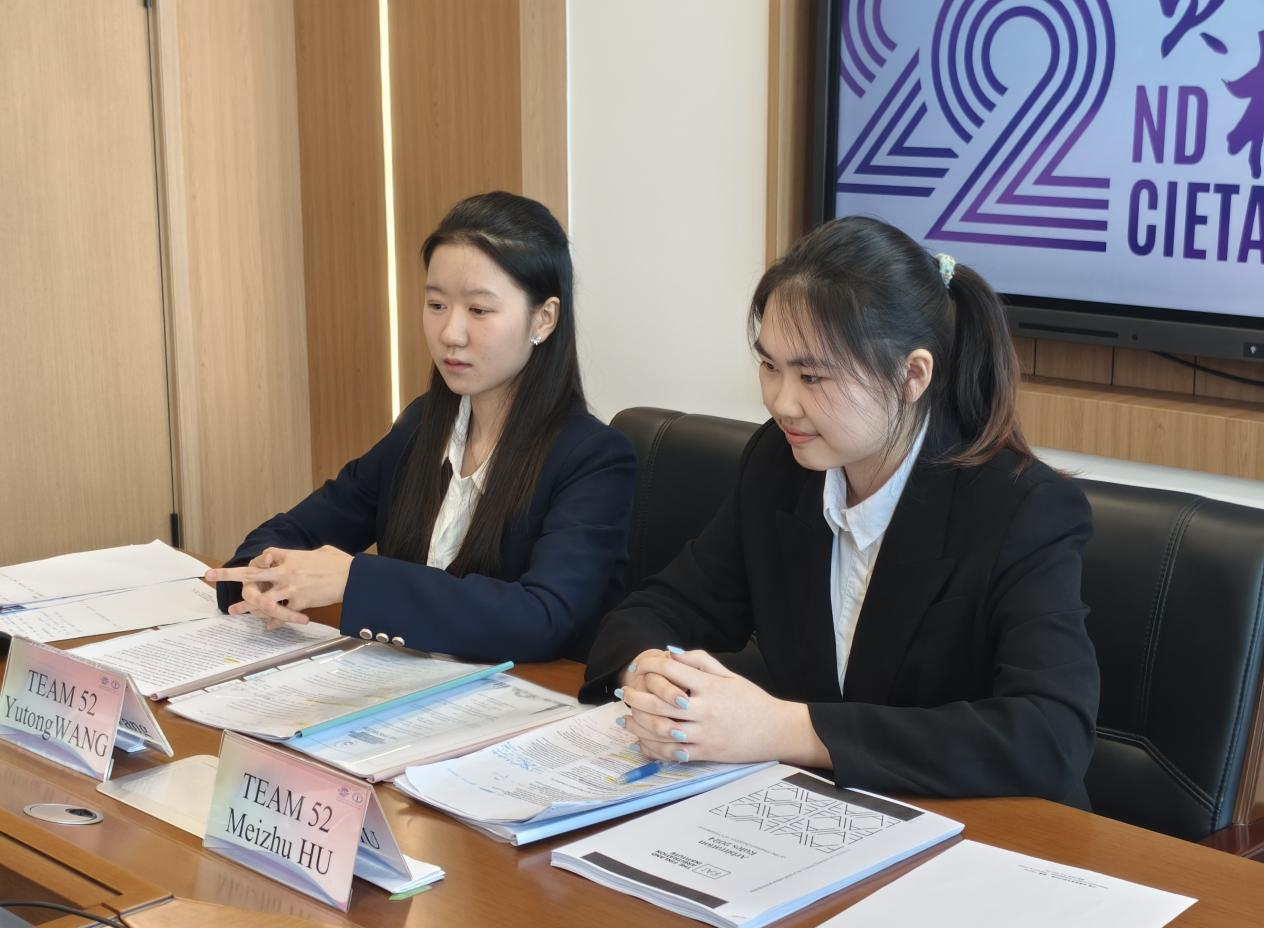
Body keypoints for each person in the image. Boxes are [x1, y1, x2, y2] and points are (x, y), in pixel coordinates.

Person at [581, 216, 1100, 806]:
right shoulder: (779, 466)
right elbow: (657, 610)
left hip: (986, 830)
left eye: (812, 376)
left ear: (911, 375)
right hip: (816, 814)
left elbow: (1049, 737)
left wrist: (785, 728)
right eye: (770, 366)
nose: (781, 402)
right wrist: (651, 676)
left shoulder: (1023, 508)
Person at [207, 192, 636, 662]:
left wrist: (355, 580)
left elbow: (542, 617)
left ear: (544, 318)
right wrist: (258, 577)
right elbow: (300, 527)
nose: (450, 333)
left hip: (523, 695)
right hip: (402, 686)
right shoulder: (422, 426)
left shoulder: (594, 459)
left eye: (479, 310)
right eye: (436, 304)